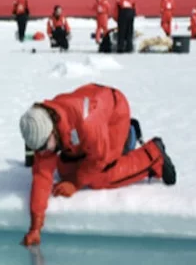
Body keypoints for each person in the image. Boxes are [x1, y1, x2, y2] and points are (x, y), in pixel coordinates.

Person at [18, 83, 176, 246]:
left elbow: (98, 160)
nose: (44, 153)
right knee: (65, 171)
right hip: (95, 111)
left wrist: (75, 183)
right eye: (39, 149)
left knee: (100, 176)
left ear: (52, 130)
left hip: (114, 114)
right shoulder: (44, 125)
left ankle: (153, 156)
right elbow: (42, 176)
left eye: (45, 147)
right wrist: (35, 227)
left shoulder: (87, 123)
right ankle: (127, 138)